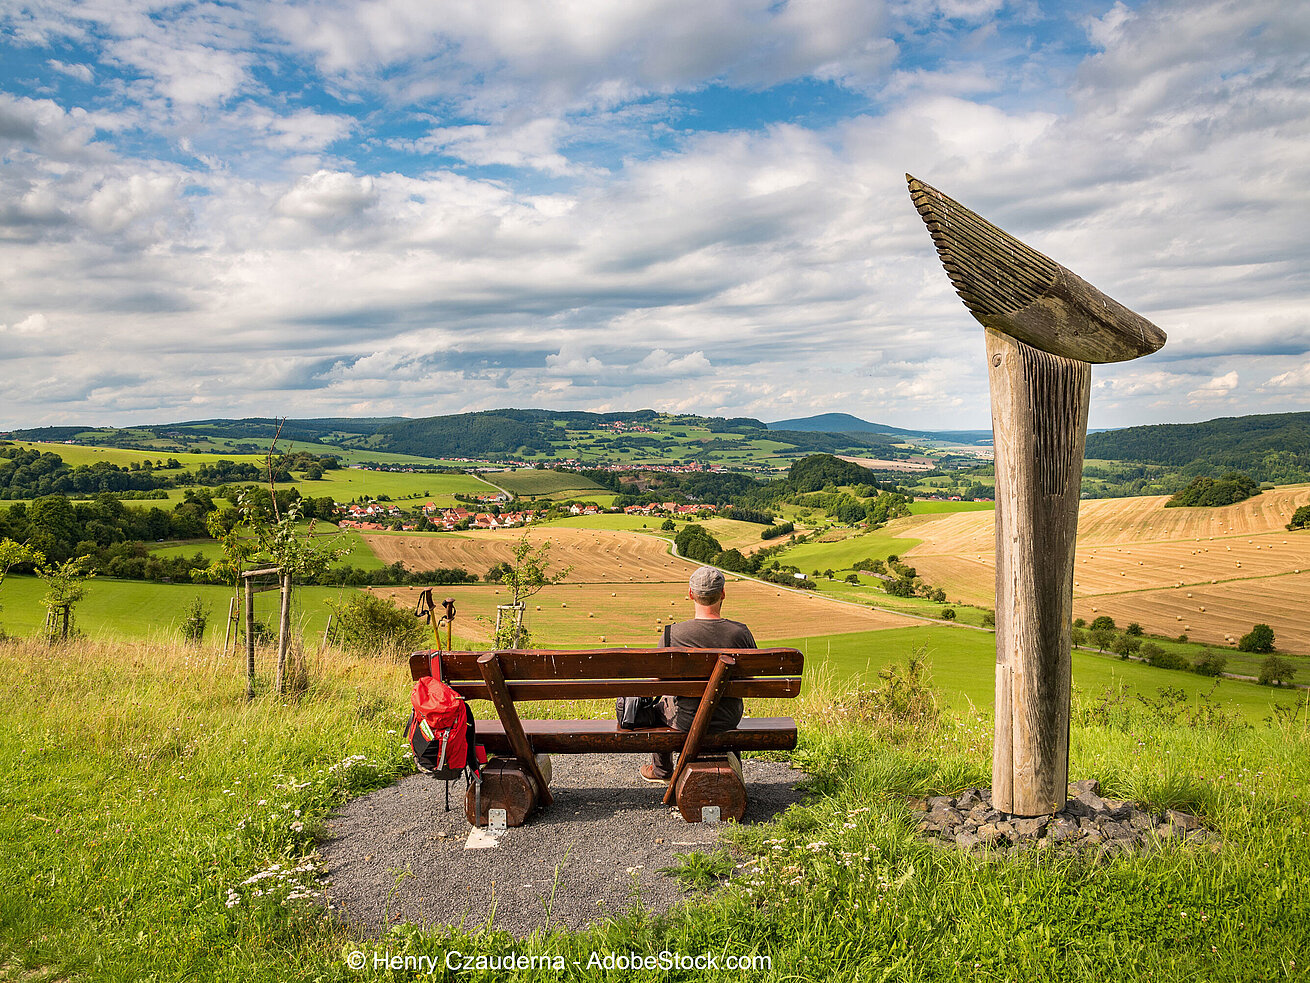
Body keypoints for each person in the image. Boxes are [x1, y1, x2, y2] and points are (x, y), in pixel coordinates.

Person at [640, 565, 755, 784]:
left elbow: (657, 683)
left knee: (656, 708)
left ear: (691, 594)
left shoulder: (671, 634)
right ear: (723, 594)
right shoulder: (741, 633)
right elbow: (749, 681)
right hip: (728, 718)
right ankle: (733, 765)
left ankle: (662, 770)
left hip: (685, 720)